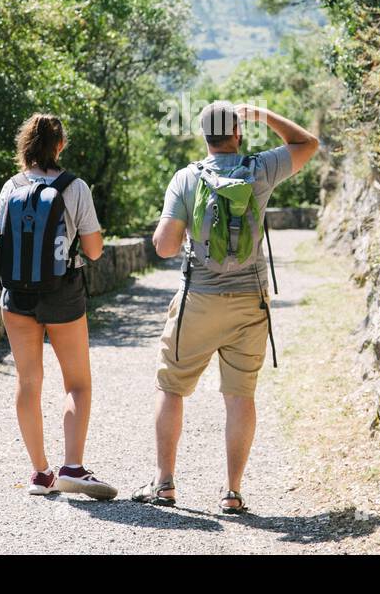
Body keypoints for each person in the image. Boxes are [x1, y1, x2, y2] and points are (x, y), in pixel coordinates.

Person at [132, 101, 319, 513]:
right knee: (239, 397)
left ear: (204, 137)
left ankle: (164, 483)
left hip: (198, 301)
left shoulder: (186, 177)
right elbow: (308, 143)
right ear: (238, 133)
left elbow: (163, 247)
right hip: (249, 304)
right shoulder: (261, 169)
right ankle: (232, 492)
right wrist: (264, 114)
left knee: (172, 387)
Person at [0, 113, 117, 500]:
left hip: (17, 296)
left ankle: (40, 474)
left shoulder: (12, 186)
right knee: (76, 382)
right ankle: (73, 468)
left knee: (28, 382)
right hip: (63, 292)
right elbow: (93, 251)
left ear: (24, 146)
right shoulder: (75, 187)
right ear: (60, 146)